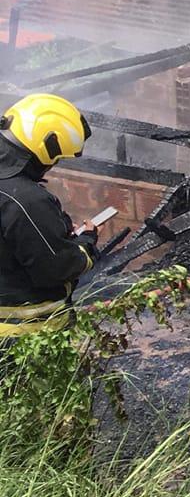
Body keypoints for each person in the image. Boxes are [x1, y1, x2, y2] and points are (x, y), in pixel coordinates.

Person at [0, 94, 99, 340]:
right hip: (22, 340)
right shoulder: (26, 201)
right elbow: (55, 268)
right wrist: (85, 244)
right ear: (45, 149)